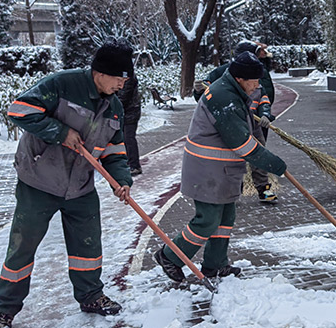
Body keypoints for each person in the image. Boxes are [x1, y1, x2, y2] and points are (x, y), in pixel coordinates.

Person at [0, 38, 135, 328]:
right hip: (39, 181)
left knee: (88, 247)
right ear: (100, 72)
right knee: (23, 246)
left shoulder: (114, 106)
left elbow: (115, 150)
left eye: (125, 78)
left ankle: (91, 296)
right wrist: (60, 132)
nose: (123, 83)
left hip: (80, 185)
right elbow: (18, 110)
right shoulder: (62, 84)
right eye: (119, 77)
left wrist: (121, 180)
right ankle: (5, 308)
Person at [154, 51, 286, 281]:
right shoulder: (224, 97)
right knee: (207, 220)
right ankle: (170, 256)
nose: (257, 86)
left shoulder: (234, 92)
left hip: (221, 171)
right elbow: (241, 143)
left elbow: (246, 129)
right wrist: (273, 163)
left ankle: (216, 264)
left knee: (225, 218)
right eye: (254, 81)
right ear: (241, 78)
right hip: (207, 171)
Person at [193, 39, 278, 202]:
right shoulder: (221, 74)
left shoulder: (258, 73)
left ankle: (263, 189)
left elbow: (264, 97)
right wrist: (198, 90)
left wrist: (266, 114)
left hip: (253, 124)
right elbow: (207, 95)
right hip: (231, 123)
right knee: (231, 157)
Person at [117, 69, 142, 176]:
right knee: (123, 138)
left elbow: (124, 96)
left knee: (129, 138)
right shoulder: (121, 75)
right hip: (126, 112)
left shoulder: (128, 77)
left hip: (131, 112)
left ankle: (134, 165)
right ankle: (128, 162)